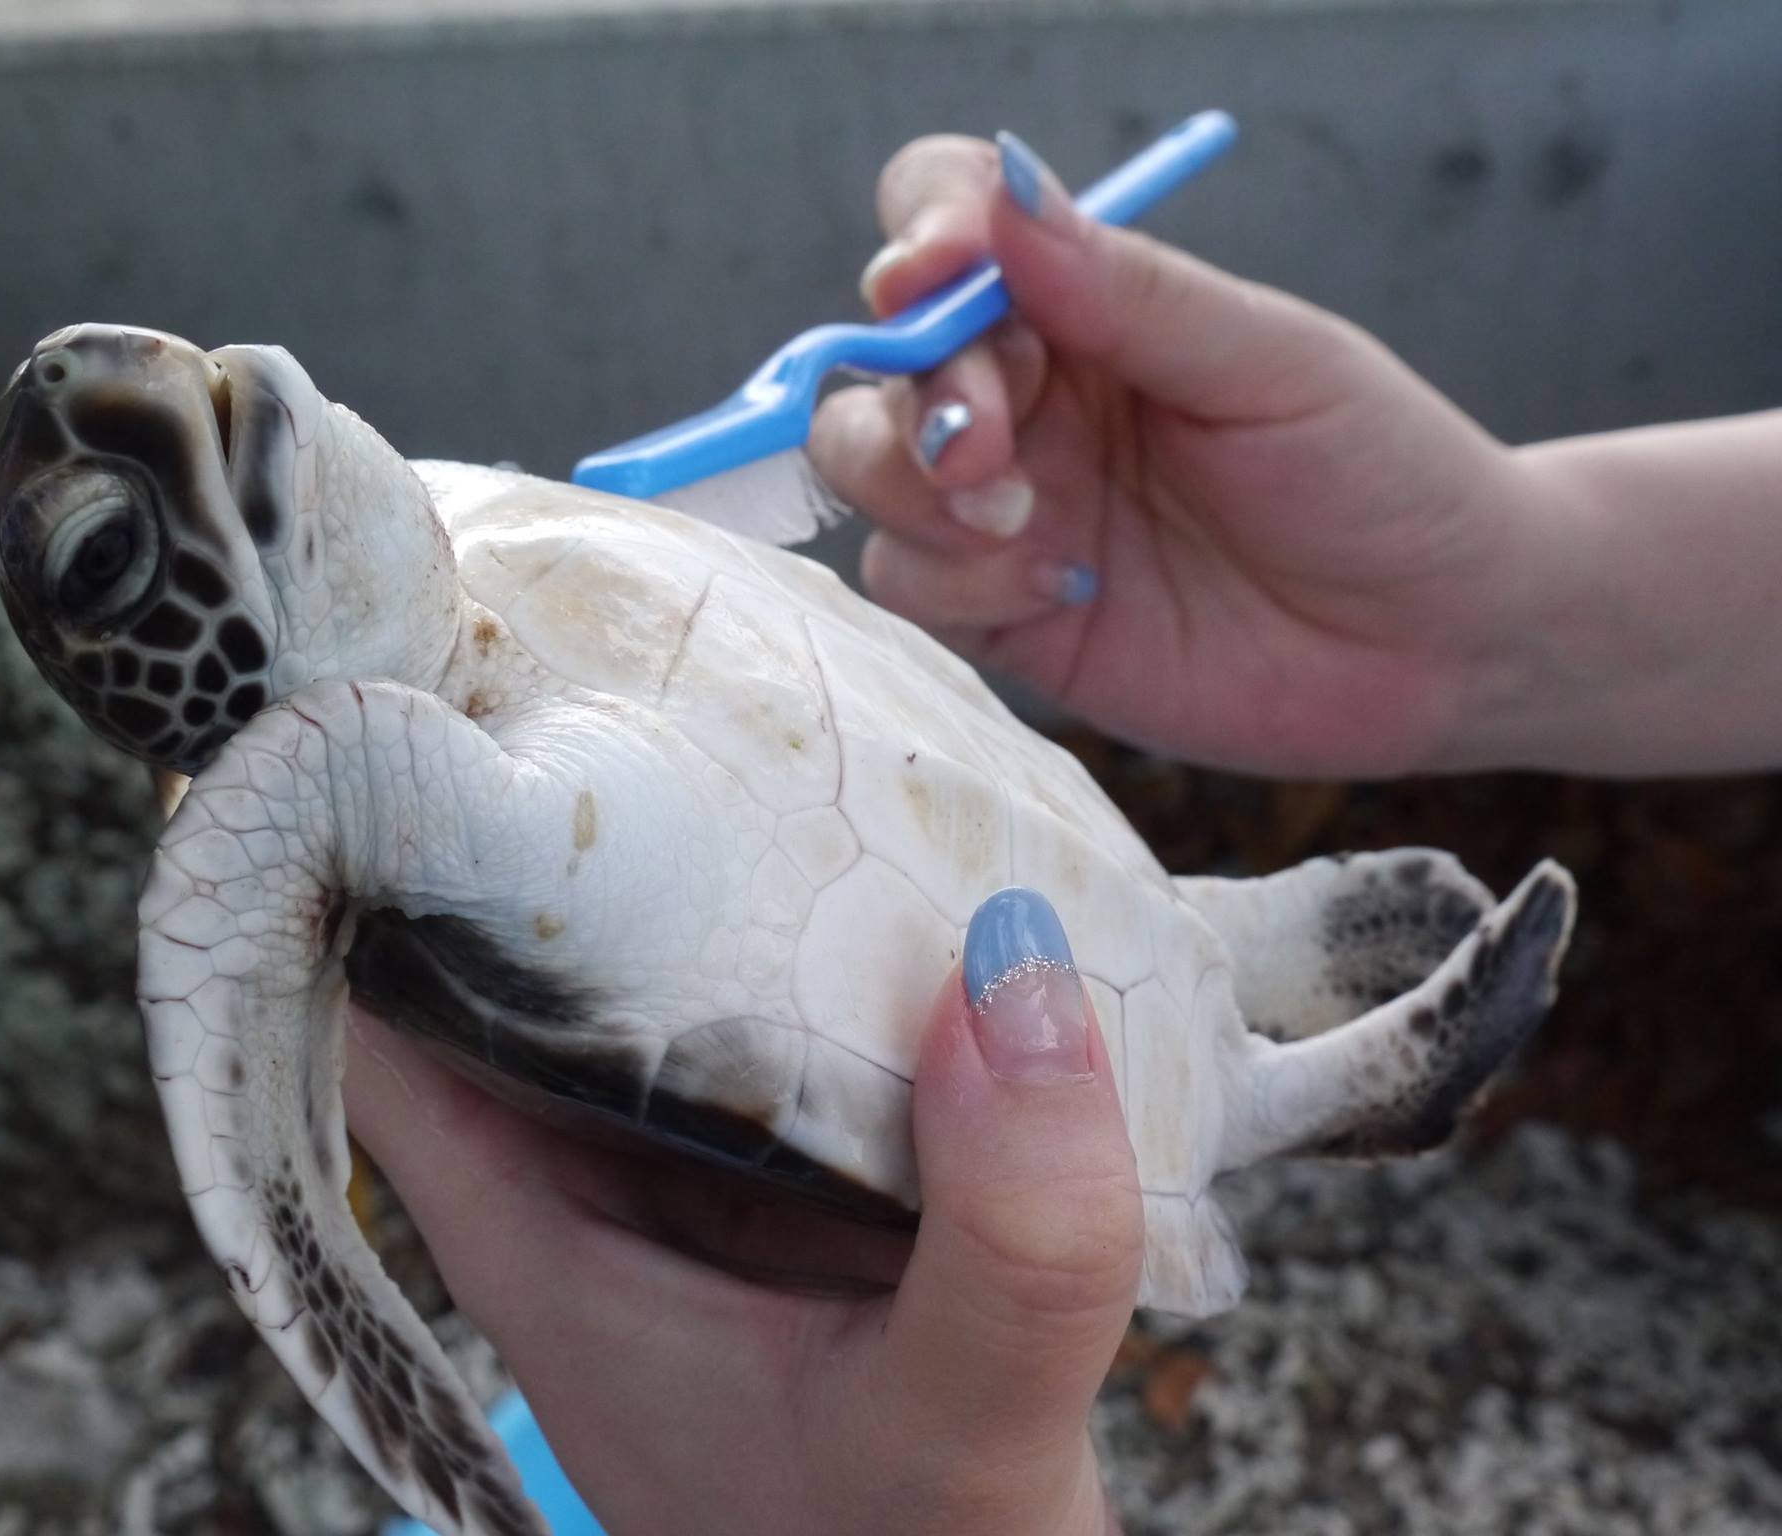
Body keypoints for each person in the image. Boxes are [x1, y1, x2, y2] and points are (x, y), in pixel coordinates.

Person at [345, 128, 1782, 1535]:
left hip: (862, 958)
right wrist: (1524, 582)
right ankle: (1262, 1004)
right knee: (1144, 948)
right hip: (909, 817)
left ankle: (1281, 1051)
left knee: (1156, 1007)